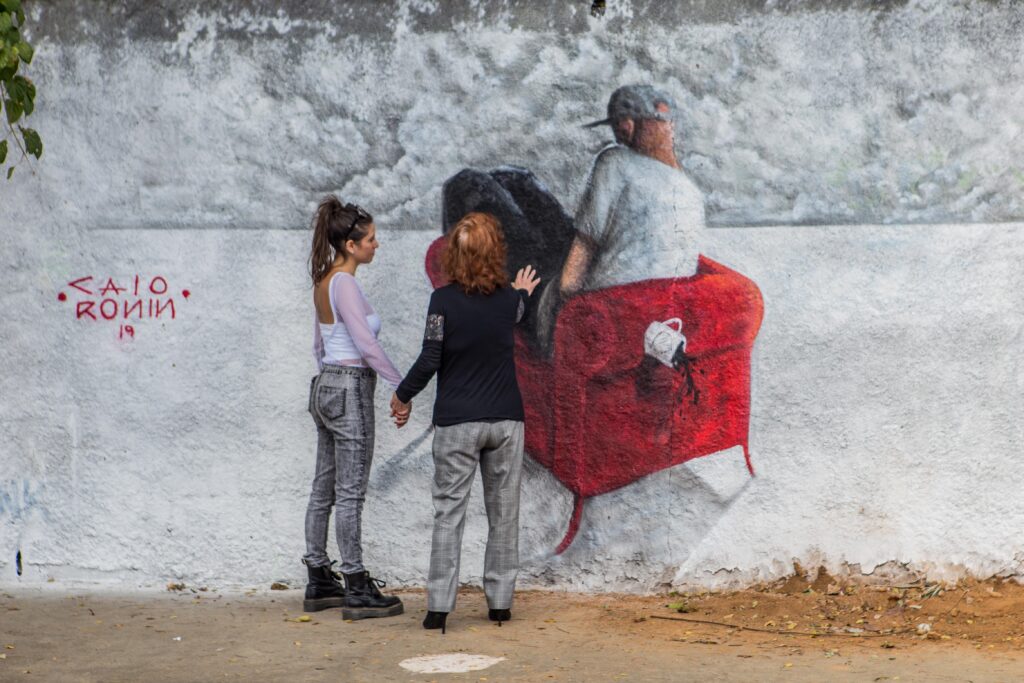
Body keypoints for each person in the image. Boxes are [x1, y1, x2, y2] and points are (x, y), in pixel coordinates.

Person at [390, 212, 540, 634]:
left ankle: (438, 608)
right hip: (506, 422)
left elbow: (430, 358)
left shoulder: (441, 302)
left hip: (457, 423)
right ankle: (500, 604)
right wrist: (523, 292)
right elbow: (519, 311)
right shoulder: (510, 302)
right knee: (504, 514)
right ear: (496, 254)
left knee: (448, 515)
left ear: (454, 256)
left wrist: (402, 396)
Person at [537, 84, 706, 349]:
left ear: (628, 125)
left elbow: (574, 270)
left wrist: (559, 303)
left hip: (600, 308)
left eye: (617, 126)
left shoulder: (613, 161)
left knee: (512, 190)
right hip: (655, 311)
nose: (616, 135)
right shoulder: (691, 190)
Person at [302, 195, 406, 620]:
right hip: (348, 386)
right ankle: (357, 584)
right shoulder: (344, 283)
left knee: (323, 486)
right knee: (349, 494)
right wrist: (400, 385)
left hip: (326, 383)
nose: (376, 245)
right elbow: (365, 344)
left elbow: (318, 344)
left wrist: (329, 382)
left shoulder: (324, 280)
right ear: (350, 244)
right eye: (371, 239)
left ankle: (318, 575)